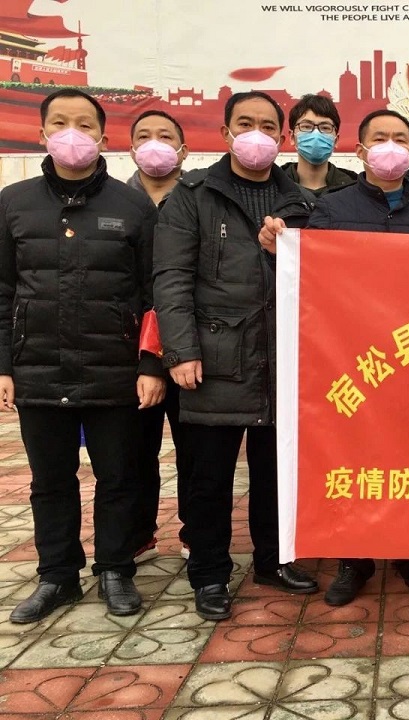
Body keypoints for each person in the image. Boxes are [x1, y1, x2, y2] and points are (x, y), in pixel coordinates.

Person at [259, 109, 409, 607]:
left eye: (400, 139)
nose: (390, 147)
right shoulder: (332, 207)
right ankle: (353, 560)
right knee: (353, 456)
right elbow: (309, 279)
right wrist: (280, 252)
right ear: (360, 151)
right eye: (379, 138)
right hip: (353, 357)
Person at [153, 90, 320, 622]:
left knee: (276, 473)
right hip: (213, 358)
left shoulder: (301, 202)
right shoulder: (192, 195)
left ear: (283, 137)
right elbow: (171, 279)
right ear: (225, 133)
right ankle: (209, 573)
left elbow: (321, 281)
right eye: (245, 124)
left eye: (268, 126)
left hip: (282, 361)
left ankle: (274, 562)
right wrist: (180, 350)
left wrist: (281, 252)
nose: (257, 135)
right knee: (208, 477)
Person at [0, 89, 165, 623]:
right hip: (37, 368)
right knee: (50, 481)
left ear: (103, 137)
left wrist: (150, 364)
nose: (72, 133)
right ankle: (57, 576)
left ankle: (115, 569)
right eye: (60, 123)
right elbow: (3, 291)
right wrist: (4, 366)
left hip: (114, 369)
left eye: (85, 124)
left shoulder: (132, 206)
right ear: (41, 134)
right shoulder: (13, 202)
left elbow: (153, 295)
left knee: (119, 477)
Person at [127, 110, 192, 564]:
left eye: (165, 136)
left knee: (195, 453)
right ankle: (137, 533)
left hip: (188, 346)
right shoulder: (116, 202)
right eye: (145, 136)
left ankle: (195, 533)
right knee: (133, 452)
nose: (155, 144)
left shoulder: (198, 198)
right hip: (128, 350)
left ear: (183, 150)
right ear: (131, 148)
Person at [283, 93, 357, 196]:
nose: (316, 134)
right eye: (306, 126)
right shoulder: (276, 186)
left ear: (336, 140)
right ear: (292, 137)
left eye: (325, 128)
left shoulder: (354, 190)